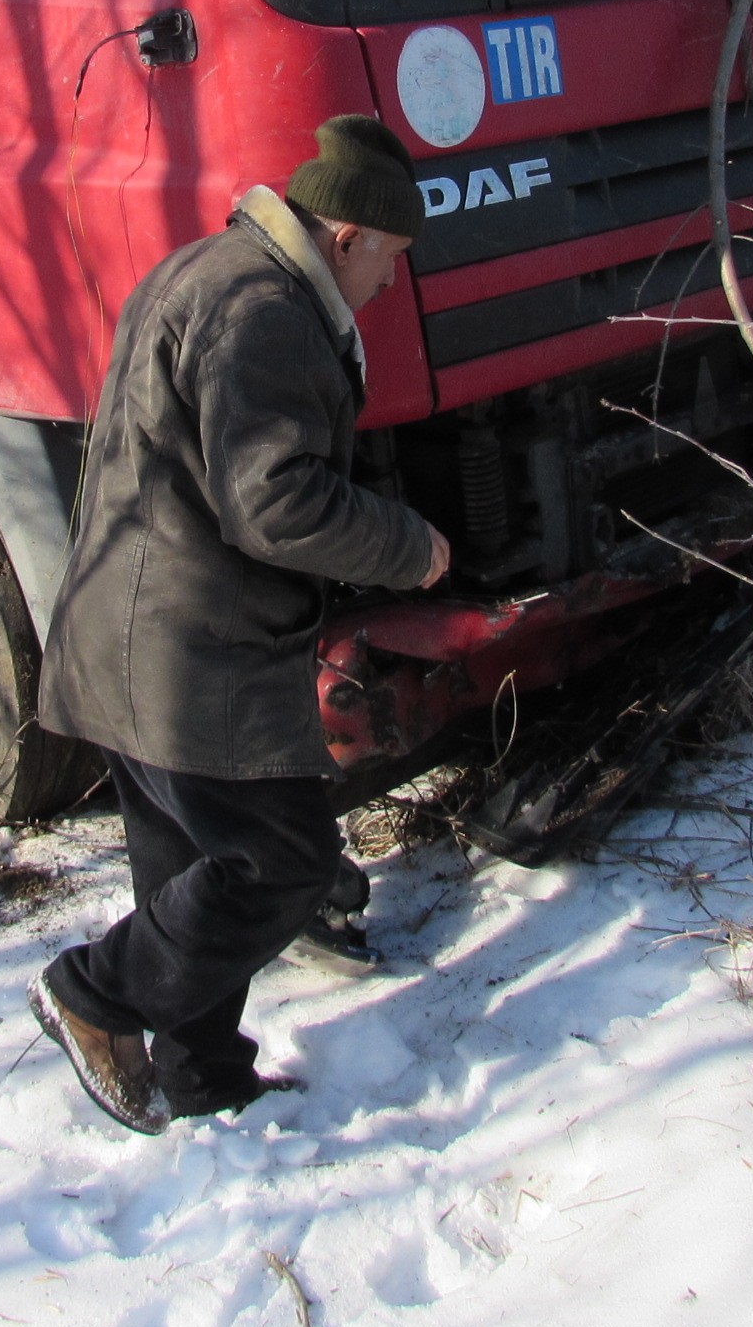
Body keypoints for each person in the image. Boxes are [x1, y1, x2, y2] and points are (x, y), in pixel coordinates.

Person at [29, 115, 449, 1133]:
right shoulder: (262, 308)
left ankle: (200, 1076)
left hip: (131, 633)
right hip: (187, 652)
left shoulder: (212, 269)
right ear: (345, 234)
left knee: (187, 867)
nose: (391, 283)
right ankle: (93, 994)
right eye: (391, 257)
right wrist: (409, 547)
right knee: (281, 863)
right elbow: (274, 504)